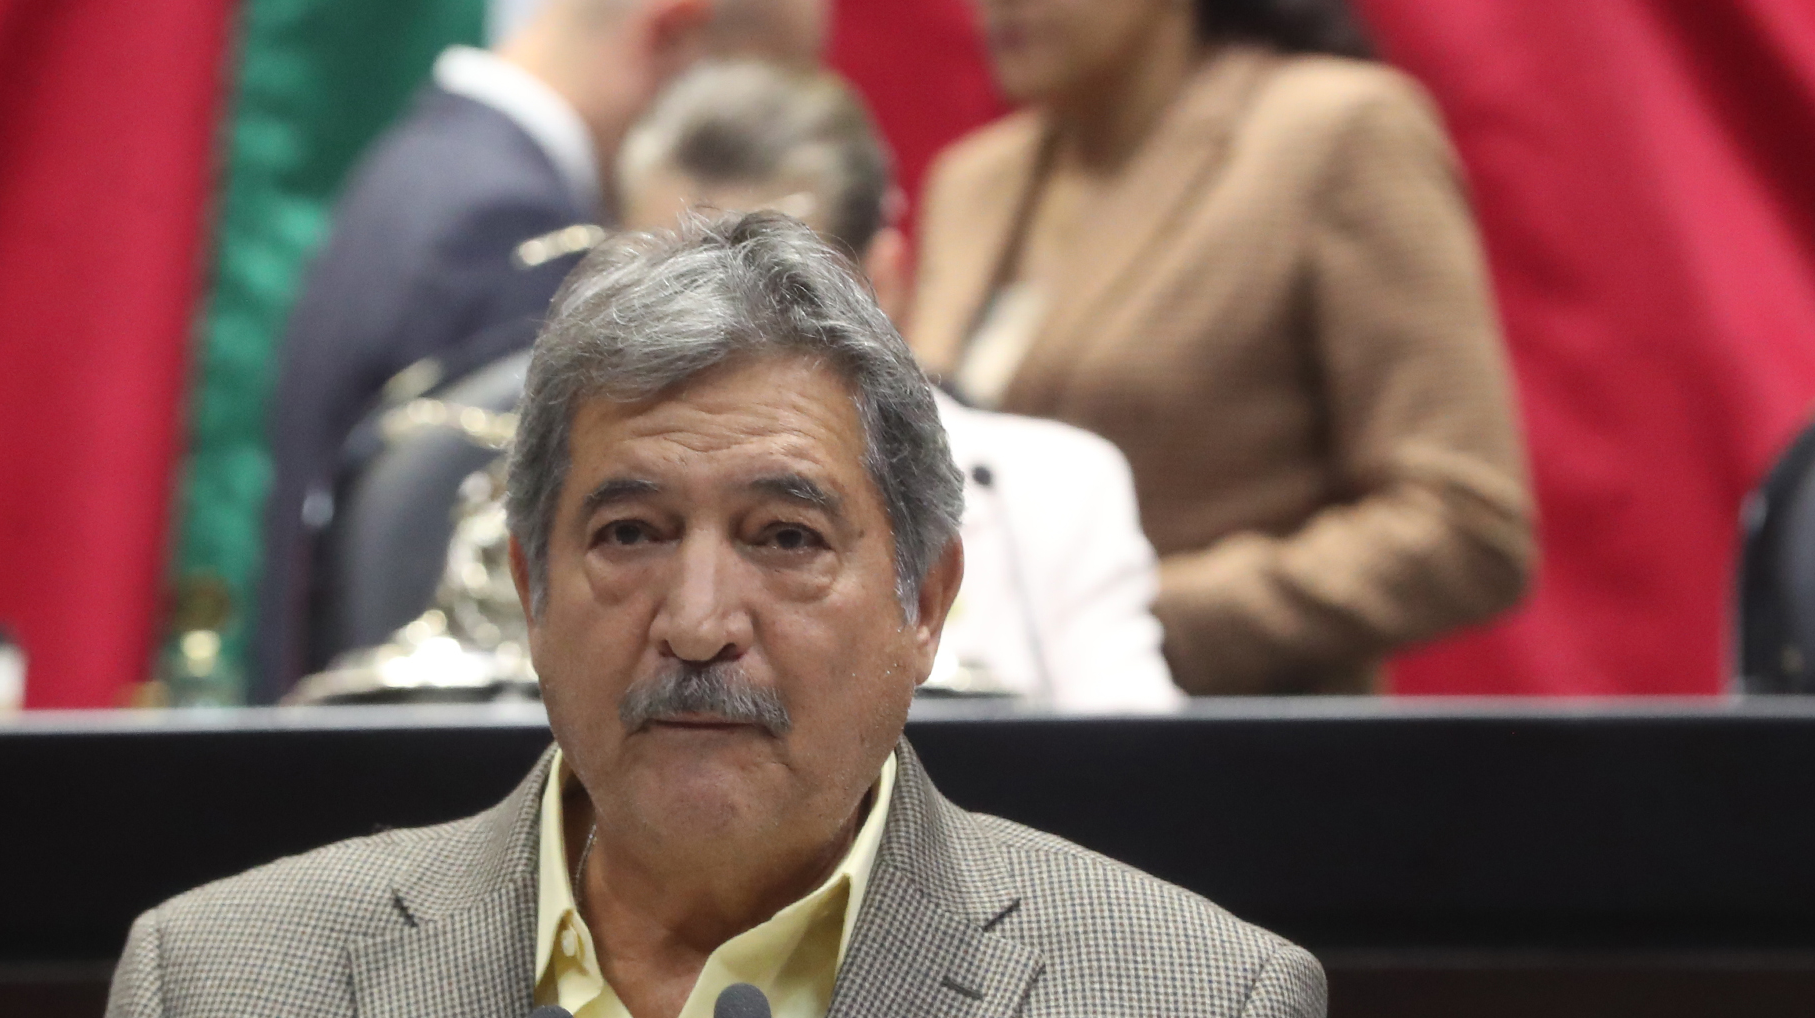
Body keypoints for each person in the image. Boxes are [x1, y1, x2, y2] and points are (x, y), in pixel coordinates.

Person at [0, 214, 1390, 1018]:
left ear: (924, 602)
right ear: (529, 590)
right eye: (631, 532)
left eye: (784, 537)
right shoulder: (221, 999)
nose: (699, 621)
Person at [910, 0, 1535, 696]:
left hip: (1243, 744)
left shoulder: (1335, 132)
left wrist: (1116, 617)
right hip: (975, 746)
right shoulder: (973, 181)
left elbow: (1465, 524)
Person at [253, 0, 826, 700]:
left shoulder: (433, 169)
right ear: (671, 34)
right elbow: (490, 632)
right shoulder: (507, 227)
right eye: (742, 103)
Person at [617, 61, 1180, 711]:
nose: (708, 337)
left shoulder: (1053, 493)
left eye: (771, 293)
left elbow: (1131, 761)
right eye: (663, 291)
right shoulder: (553, 490)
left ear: (879, 286)